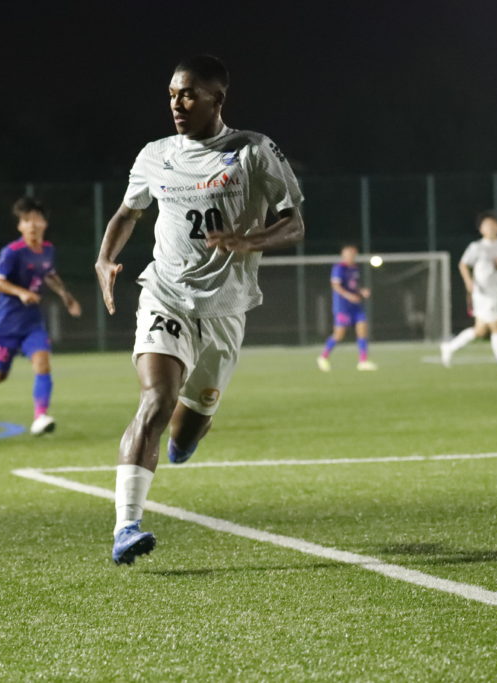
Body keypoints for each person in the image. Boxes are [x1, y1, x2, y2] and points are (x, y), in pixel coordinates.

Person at [95, 55, 305, 565]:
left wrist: (248, 240)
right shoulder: (156, 155)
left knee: (185, 429)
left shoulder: (253, 151)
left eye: (188, 94)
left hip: (225, 310)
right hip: (165, 294)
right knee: (155, 400)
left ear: (217, 99)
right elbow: (128, 212)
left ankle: (189, 434)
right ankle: (126, 526)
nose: (177, 103)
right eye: (172, 94)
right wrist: (104, 258)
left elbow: (294, 223)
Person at [0, 197, 82, 435]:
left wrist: (66, 295)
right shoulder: (12, 252)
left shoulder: (48, 250)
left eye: (36, 219)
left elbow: (49, 274)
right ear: (20, 226)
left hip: (32, 323)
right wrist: (21, 292)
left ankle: (40, 417)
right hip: (6, 325)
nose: (32, 224)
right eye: (26, 220)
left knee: (43, 363)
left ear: (44, 223)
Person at [440, 210, 497, 377]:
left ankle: (449, 347)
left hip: (495, 291)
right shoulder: (477, 247)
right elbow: (463, 264)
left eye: (493, 224)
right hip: (481, 292)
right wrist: (469, 282)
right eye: (487, 225)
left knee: (480, 330)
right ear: (481, 229)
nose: (490, 228)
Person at [317, 245, 376, 372]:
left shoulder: (354, 268)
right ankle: (323, 357)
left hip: (355, 306)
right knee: (339, 335)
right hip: (342, 307)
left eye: (352, 254)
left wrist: (362, 291)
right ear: (343, 256)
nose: (350, 257)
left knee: (362, 330)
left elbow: (353, 286)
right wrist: (349, 296)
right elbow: (336, 286)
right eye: (348, 254)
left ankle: (363, 361)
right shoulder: (339, 268)